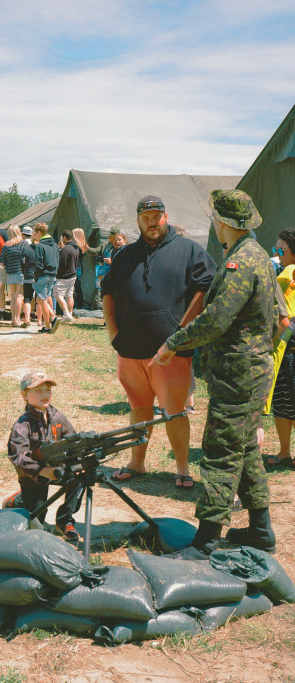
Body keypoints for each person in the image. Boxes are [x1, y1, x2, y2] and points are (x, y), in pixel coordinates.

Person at [151, 190, 277, 558]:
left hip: (239, 374)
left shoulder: (242, 262)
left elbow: (218, 318)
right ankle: (261, 531)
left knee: (221, 452)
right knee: (246, 450)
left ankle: (205, 541)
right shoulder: (254, 255)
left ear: (222, 221)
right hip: (249, 370)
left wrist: (173, 342)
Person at [102, 195, 216, 487]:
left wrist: (181, 334)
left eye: (157, 216)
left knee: (174, 412)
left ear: (166, 217)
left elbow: (205, 289)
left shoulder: (190, 251)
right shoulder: (124, 255)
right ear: (138, 221)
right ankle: (136, 463)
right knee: (138, 407)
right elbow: (108, 292)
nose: (152, 222)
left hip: (171, 352)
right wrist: (113, 333)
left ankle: (182, 470)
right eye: (146, 217)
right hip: (130, 351)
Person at [7, 370, 83, 541]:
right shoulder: (22, 425)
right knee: (37, 524)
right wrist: (42, 471)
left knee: (81, 476)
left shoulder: (58, 417)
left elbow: (72, 442)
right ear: (24, 395)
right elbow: (17, 457)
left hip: (57, 468)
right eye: (38, 391)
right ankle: (19, 500)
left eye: (48, 390)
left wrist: (77, 462)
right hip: (33, 476)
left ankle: (64, 521)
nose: (45, 395)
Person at [266, 225, 295, 468]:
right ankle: (285, 451)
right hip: (282, 352)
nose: (276, 253)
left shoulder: (288, 277)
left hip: (291, 349)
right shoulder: (281, 276)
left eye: (281, 250)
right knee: (282, 403)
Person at [33, 223, 61, 334]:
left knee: (42, 300)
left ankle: (51, 321)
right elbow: (57, 260)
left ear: (40, 233)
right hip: (52, 275)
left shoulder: (40, 246)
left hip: (43, 275)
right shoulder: (54, 244)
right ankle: (49, 323)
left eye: (35, 234)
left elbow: (39, 264)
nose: (35, 237)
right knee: (41, 299)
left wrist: (35, 277)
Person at [53, 230, 80, 323]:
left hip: (64, 276)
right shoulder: (76, 248)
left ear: (64, 237)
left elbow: (62, 263)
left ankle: (66, 314)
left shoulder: (66, 249)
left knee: (57, 294)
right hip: (73, 275)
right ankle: (70, 314)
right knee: (69, 295)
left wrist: (58, 273)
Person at [0, 225, 24, 326]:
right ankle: (18, 319)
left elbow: (2, 261)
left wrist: (8, 267)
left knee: (13, 296)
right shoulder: (22, 244)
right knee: (19, 296)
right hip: (20, 272)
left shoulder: (6, 245)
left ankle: (13, 318)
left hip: (10, 272)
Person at [20, 226, 36, 327]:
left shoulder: (24, 246)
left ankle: (26, 318)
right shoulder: (40, 247)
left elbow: (21, 261)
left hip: (28, 274)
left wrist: (23, 271)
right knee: (39, 297)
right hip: (38, 275)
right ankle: (38, 318)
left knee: (27, 297)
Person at [72, 228, 88, 309]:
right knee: (78, 287)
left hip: (75, 267)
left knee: (73, 288)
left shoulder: (76, 246)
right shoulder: (83, 245)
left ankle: (77, 305)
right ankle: (79, 304)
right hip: (79, 267)